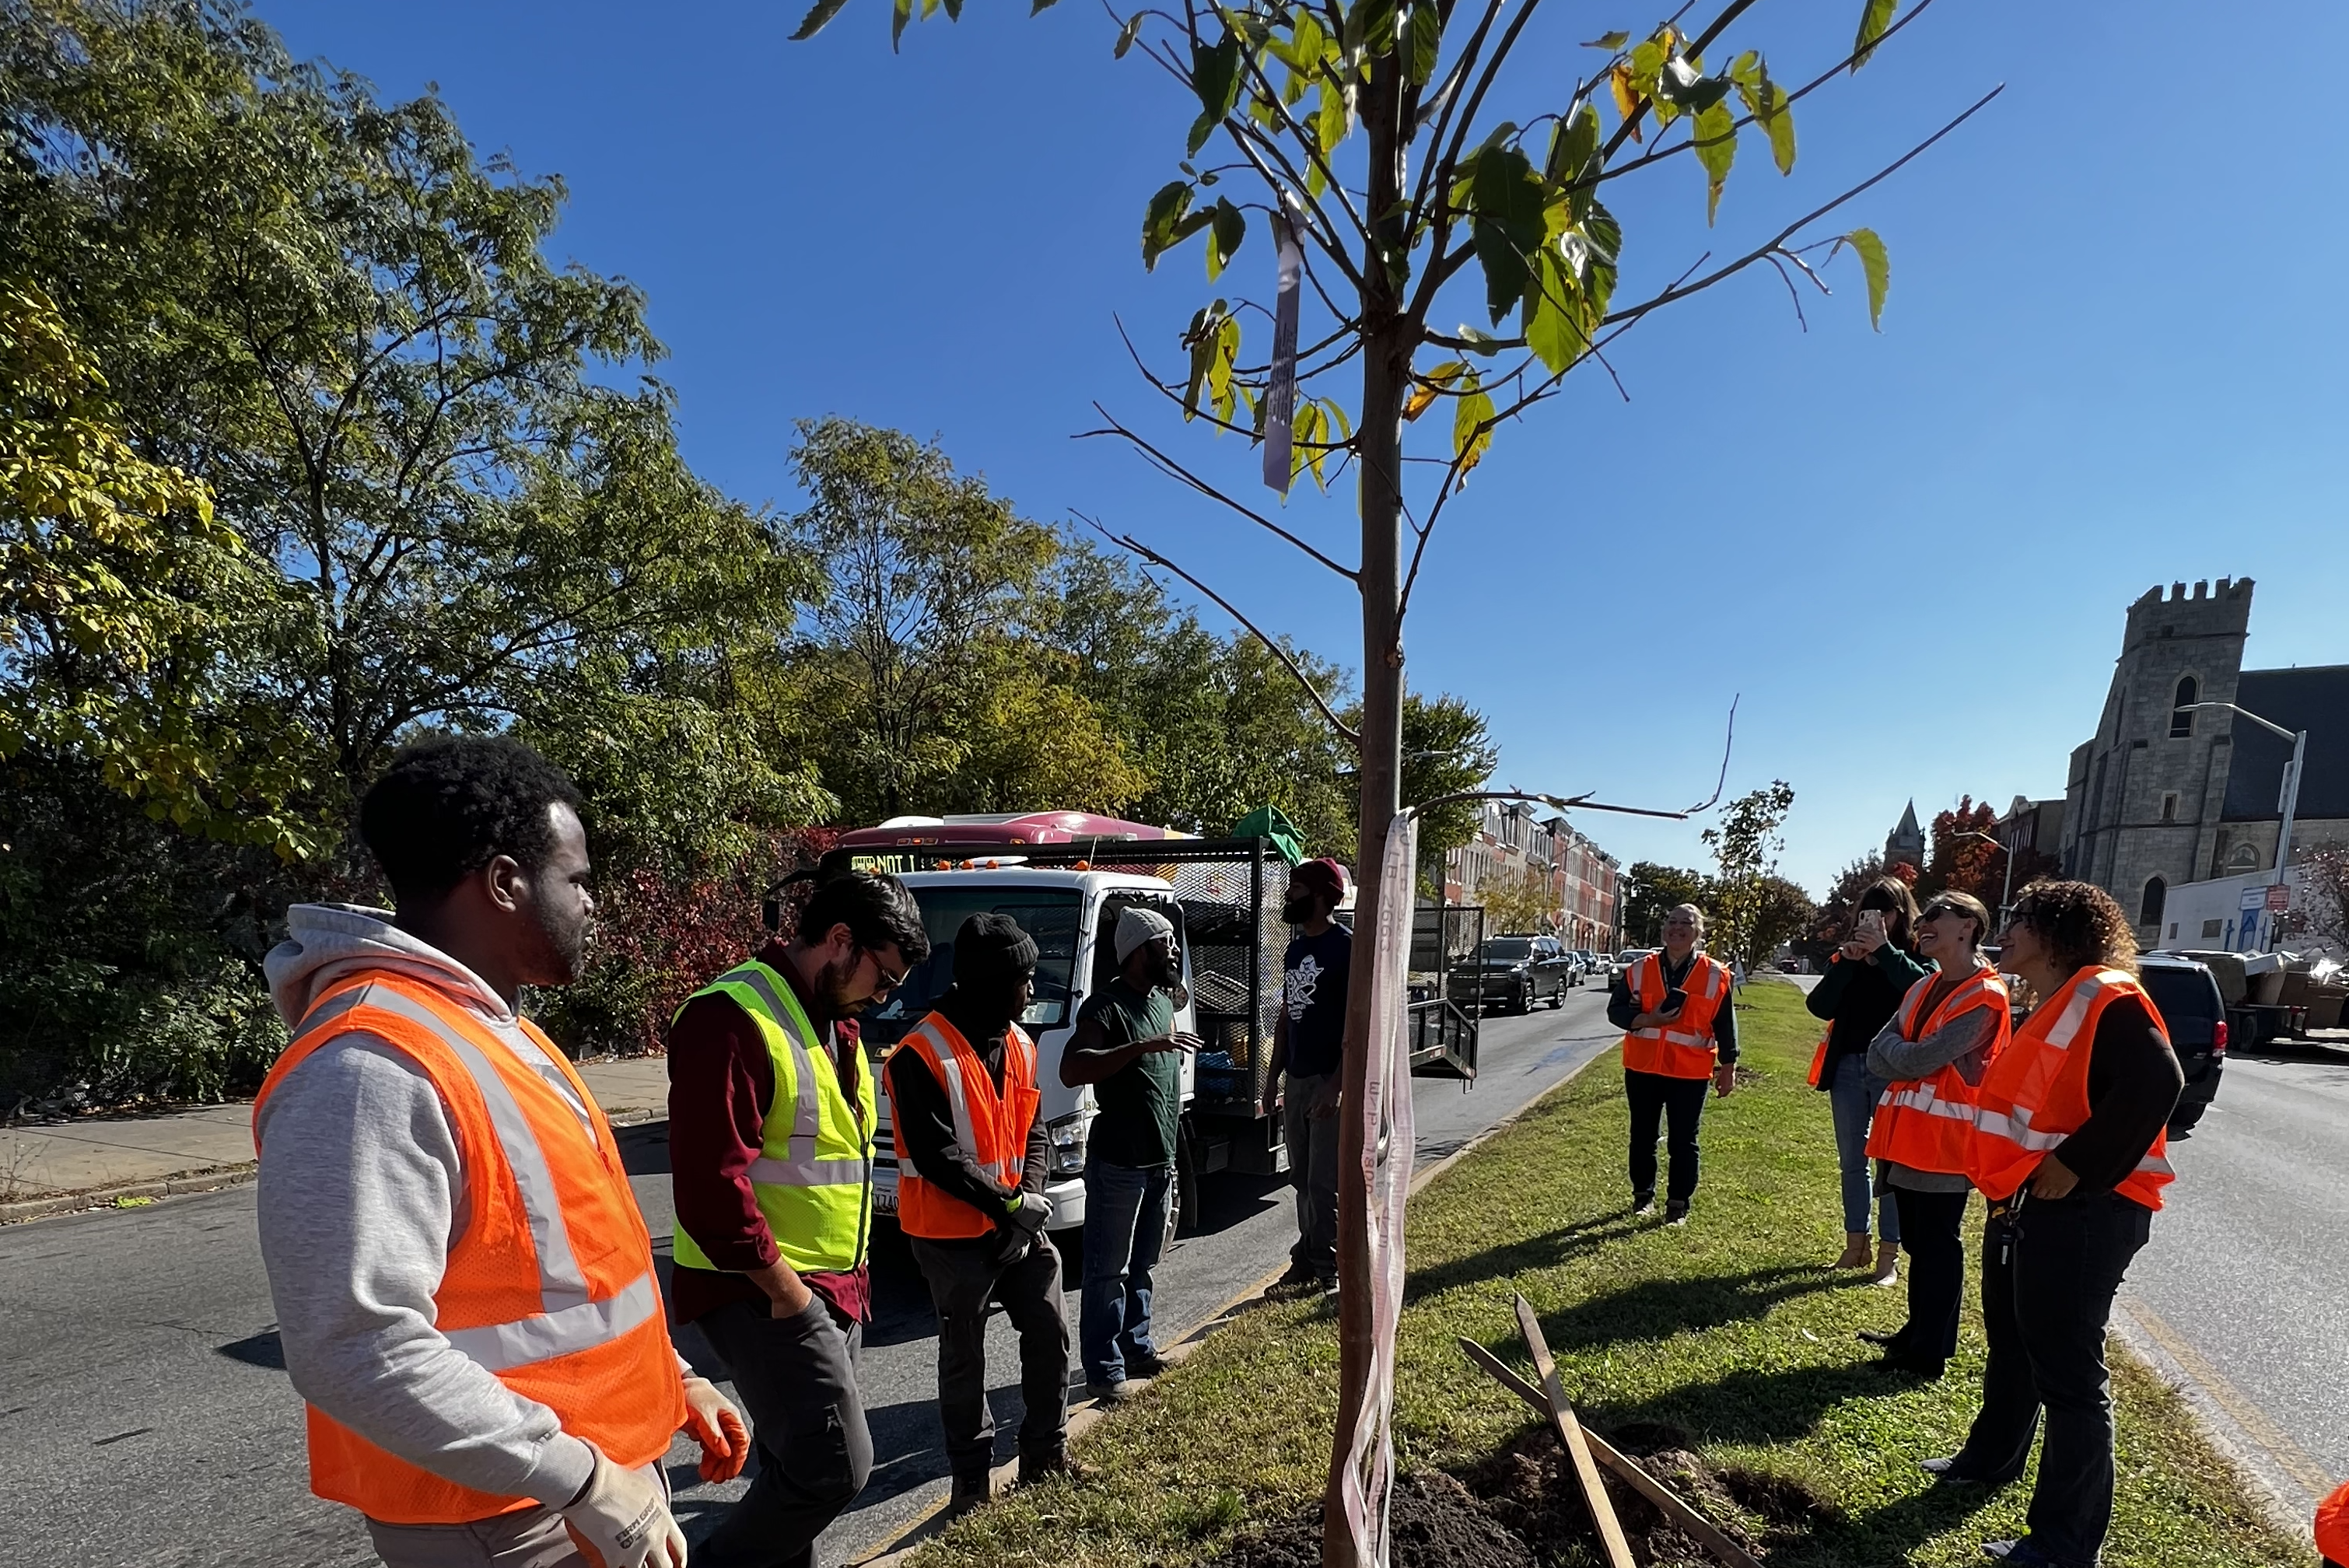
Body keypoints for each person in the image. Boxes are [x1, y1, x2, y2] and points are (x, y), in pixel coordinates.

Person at [253, 737, 747, 1568]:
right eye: (578, 878)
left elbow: (572, 1274)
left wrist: (668, 1381)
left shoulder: (489, 1030)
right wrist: (586, 1480)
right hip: (508, 1518)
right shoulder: (370, 1066)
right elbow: (352, 1347)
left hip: (575, 1488)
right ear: (506, 883)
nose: (594, 903)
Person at [667, 868, 930, 1568]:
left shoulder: (834, 1023)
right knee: (834, 1466)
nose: (885, 997)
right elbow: (709, 1190)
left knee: (798, 1471)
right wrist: (789, 1296)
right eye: (884, 977)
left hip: (830, 1284)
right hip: (764, 1286)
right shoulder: (732, 1016)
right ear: (839, 940)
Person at [1927, 881, 2183, 1568]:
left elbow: (2160, 1083)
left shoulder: (2107, 993)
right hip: (2028, 1207)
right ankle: (1989, 1460)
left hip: (2088, 1211)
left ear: (2059, 934)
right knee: (2015, 1344)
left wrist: (2077, 1165)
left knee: (2070, 1380)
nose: (2004, 932)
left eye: (2020, 921)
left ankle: (2064, 1547)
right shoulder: (2050, 1001)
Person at [884, 913, 1074, 1516]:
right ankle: (972, 1482)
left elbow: (1034, 1130)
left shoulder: (1019, 1042)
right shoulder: (920, 1053)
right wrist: (1012, 1208)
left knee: (1049, 1331)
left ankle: (1046, 1453)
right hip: (951, 1235)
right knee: (964, 1355)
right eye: (1023, 979)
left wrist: (1029, 1208)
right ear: (988, 981)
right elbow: (940, 1157)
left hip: (1017, 1227)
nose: (1032, 990)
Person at [1861, 891, 2010, 1379]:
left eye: (1935, 918)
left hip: (1946, 1145)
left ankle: (1931, 1352)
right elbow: (1876, 1048)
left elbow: (1915, 1057)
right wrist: (1908, 1054)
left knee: (1938, 1245)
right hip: (1907, 1138)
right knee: (1919, 1245)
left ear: (1968, 926)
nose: (1922, 925)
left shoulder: (1985, 996)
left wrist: (1904, 1055)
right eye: (1923, 918)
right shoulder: (1923, 988)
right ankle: (1915, 1334)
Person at [1060, 905, 1201, 1400]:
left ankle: (1137, 1347)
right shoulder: (1105, 1007)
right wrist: (1141, 1048)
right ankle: (1104, 1368)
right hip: (1118, 1163)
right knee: (1107, 1269)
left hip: (1159, 1158)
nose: (1175, 951)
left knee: (1144, 1262)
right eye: (1167, 944)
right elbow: (1072, 1068)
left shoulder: (1162, 999)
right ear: (1139, 951)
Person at [1805, 877, 1930, 1281]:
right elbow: (1819, 1006)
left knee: (1889, 1165)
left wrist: (1886, 952)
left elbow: (1923, 992)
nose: (1876, 922)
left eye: (1885, 913)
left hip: (1893, 1073)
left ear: (1901, 916)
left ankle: (1888, 1256)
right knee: (1851, 1162)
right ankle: (1855, 1245)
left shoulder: (1913, 954)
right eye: (1867, 914)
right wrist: (1847, 963)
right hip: (1848, 1068)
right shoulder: (1851, 957)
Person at [1606, 903, 1738, 1224]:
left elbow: (1725, 1024)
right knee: (1642, 1136)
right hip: (1643, 1068)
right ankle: (1643, 1197)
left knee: (1684, 1141)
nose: (1676, 928)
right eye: (1671, 921)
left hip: (1689, 1072)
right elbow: (1615, 1011)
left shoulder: (1715, 974)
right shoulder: (1639, 969)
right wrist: (1646, 1018)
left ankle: (1678, 1204)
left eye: (1686, 923)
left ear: (1698, 933)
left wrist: (1729, 1067)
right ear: (1663, 928)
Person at [1267, 857, 1350, 1293]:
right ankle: (1308, 1256)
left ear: (1320, 896)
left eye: (1296, 890)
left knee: (1323, 1182)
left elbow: (1358, 1028)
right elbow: (1287, 1018)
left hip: (1327, 1079)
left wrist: (1336, 1086)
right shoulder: (1296, 948)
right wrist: (1272, 1081)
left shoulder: (1345, 948)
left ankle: (1328, 1269)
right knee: (1300, 1177)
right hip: (1297, 1080)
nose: (1289, 897)